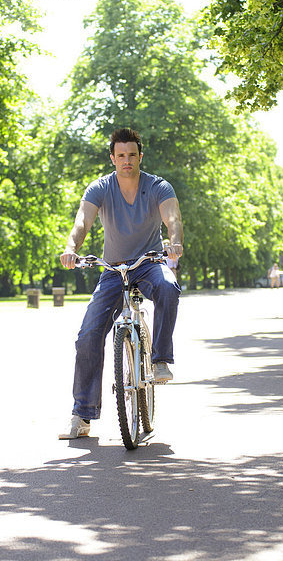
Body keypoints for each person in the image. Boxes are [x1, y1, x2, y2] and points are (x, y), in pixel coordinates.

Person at [58, 128, 183, 439]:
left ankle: (161, 359)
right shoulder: (101, 187)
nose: (127, 160)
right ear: (113, 158)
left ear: (140, 156)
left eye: (132, 154)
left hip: (150, 263)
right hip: (113, 270)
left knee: (169, 287)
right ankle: (82, 415)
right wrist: (72, 248)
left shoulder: (157, 186)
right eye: (121, 155)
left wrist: (174, 242)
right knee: (88, 334)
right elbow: (82, 221)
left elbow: (173, 219)